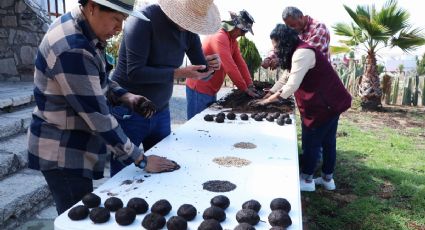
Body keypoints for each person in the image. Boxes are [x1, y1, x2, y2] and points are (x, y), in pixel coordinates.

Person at [27, 0, 177, 215]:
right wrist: (141, 160)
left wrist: (127, 97)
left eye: (123, 21)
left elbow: (96, 80)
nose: (119, 29)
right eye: (116, 19)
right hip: (63, 150)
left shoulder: (82, 29)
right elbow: (98, 117)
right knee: (76, 219)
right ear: (92, 7)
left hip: (73, 142)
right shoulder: (73, 48)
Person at [110, 0, 222, 176]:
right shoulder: (143, 20)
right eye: (188, 20)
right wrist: (177, 73)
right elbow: (135, 72)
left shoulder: (189, 31)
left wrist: (212, 67)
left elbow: (201, 70)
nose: (189, 26)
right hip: (129, 111)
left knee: (164, 169)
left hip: (161, 111)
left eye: (194, 21)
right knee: (122, 174)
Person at [251, 24, 352, 192]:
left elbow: (291, 85)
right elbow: (286, 77)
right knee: (328, 142)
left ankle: (307, 180)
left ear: (284, 42)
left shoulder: (302, 53)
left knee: (311, 142)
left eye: (276, 47)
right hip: (331, 102)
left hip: (324, 105)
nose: (275, 51)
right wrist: (270, 93)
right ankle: (328, 179)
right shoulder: (297, 51)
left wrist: (267, 102)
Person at [185, 10, 259, 119]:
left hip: (210, 89)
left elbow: (240, 63)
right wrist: (245, 89)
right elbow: (230, 67)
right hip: (199, 88)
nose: (243, 35)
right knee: (197, 127)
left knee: (207, 126)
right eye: (243, 31)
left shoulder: (232, 41)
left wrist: (250, 84)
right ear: (235, 26)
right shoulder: (219, 36)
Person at [261, 6, 331, 91]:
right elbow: (281, 45)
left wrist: (280, 60)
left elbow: (305, 56)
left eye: (293, 25)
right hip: (299, 74)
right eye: (288, 26)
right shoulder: (294, 30)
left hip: (317, 76)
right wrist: (270, 58)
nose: (291, 29)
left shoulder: (318, 28)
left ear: (301, 17)